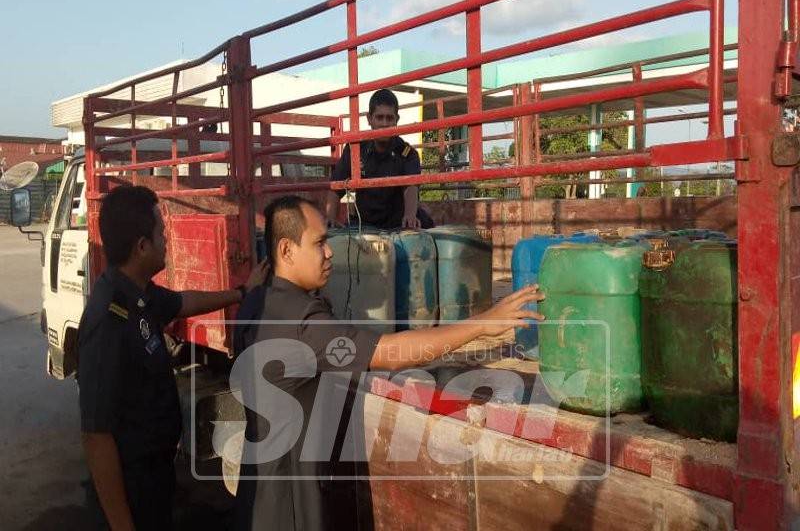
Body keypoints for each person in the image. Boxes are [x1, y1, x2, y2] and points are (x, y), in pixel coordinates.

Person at [233, 195, 543, 531]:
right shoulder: (304, 322)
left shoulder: (255, 302)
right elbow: (388, 352)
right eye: (319, 243)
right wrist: (481, 324)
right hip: (291, 506)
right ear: (286, 250)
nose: (329, 252)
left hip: (256, 492)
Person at [78, 185, 269, 530]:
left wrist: (242, 292)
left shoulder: (138, 292)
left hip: (155, 477)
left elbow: (183, 302)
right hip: (132, 491)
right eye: (161, 233)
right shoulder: (108, 321)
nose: (166, 240)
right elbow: (97, 437)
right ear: (142, 246)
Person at [326, 88, 434, 230]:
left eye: (389, 118)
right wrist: (330, 218)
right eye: (379, 117)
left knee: (426, 224)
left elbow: (411, 187)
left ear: (397, 120)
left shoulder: (408, 154)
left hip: (396, 225)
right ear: (369, 119)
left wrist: (410, 215)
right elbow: (336, 186)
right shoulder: (355, 149)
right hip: (364, 225)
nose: (384, 123)